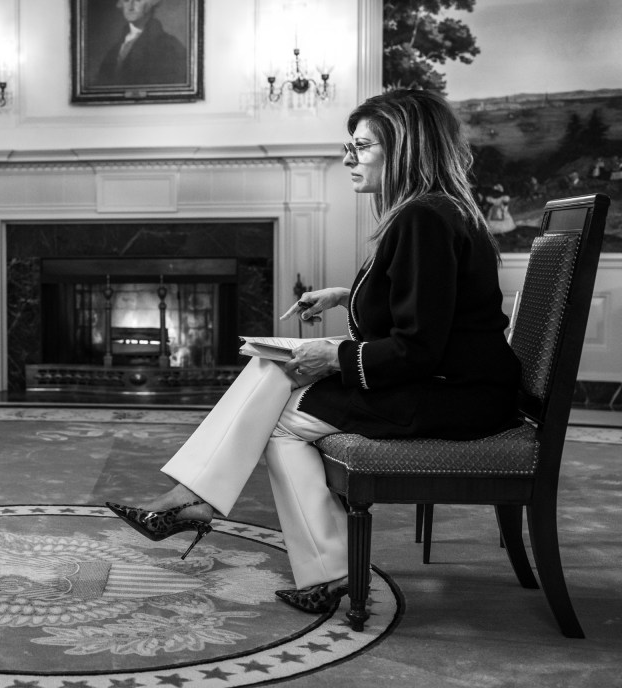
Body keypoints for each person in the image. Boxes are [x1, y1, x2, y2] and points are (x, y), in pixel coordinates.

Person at [106, 88, 521, 614]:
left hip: (453, 396)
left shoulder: (424, 219)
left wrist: (334, 359)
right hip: (462, 384)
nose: (347, 159)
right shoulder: (437, 212)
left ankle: (231, 517)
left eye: (362, 147)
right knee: (273, 366)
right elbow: (441, 304)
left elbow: (419, 348)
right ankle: (215, 509)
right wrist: (348, 296)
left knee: (277, 415)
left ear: (406, 149)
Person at [94, 0, 188, 86]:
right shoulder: (114, 51)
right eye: (126, 0)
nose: (130, 6)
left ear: (149, 4)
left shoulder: (170, 46)